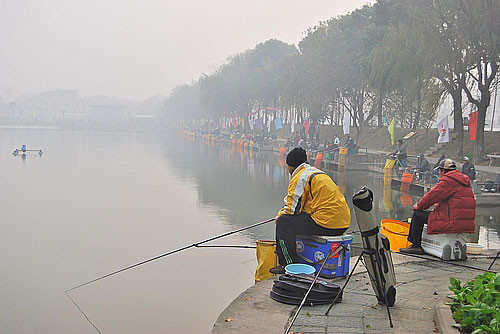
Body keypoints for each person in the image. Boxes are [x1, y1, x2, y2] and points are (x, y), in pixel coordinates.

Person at [270, 147, 351, 273]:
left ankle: (288, 265)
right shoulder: (316, 173)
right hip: (343, 223)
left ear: (290, 166)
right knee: (293, 221)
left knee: (283, 222)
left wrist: (279, 216)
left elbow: (291, 210)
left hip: (326, 224)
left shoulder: (300, 176)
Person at [400, 159, 476, 255]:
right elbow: (454, 201)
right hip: (465, 222)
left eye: (439, 171)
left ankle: (416, 246)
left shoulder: (448, 180)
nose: (439, 173)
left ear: (443, 171)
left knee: (418, 214)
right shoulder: (463, 181)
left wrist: (419, 206)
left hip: (451, 221)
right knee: (428, 214)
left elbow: (431, 197)